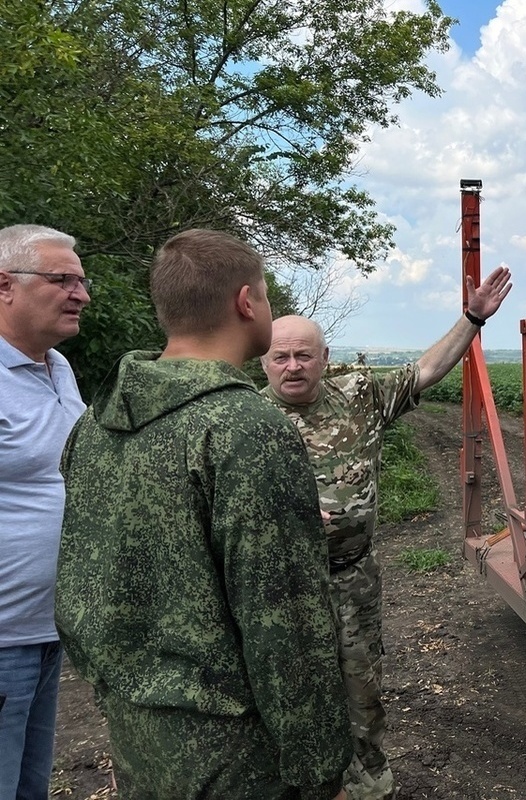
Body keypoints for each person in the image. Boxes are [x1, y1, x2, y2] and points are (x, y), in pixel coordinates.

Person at [55, 229, 352, 799]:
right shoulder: (245, 430)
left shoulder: (93, 424)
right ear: (247, 302)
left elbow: (79, 580)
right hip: (235, 752)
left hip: (136, 732)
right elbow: (285, 623)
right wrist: (319, 769)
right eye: (265, 294)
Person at [262, 265, 512, 800]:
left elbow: (425, 370)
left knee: (362, 687)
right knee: (286, 697)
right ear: (263, 359)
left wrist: (471, 318)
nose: (292, 366)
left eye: (303, 355)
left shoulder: (358, 396)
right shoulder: (243, 421)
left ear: (324, 359)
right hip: (278, 592)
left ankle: (369, 784)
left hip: (352, 581)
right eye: (280, 356)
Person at [0, 225, 90, 800]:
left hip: (46, 629)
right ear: (4, 286)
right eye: (62, 280)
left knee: (29, 786)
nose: (81, 293)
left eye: (82, 280)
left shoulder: (58, 368)